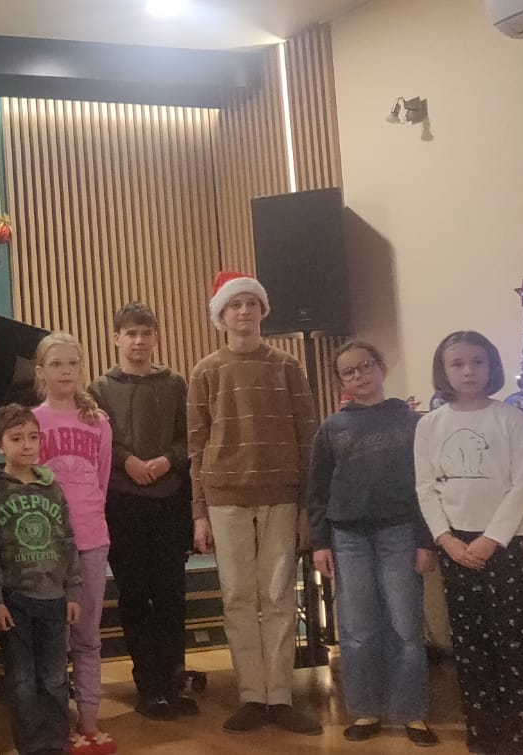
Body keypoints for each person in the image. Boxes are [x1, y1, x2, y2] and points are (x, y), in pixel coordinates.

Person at [187, 271, 321, 736]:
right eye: (234, 305)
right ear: (221, 315)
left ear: (263, 311)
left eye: (251, 303)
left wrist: (305, 507)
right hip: (225, 501)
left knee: (279, 595)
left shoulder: (287, 366)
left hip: (281, 497)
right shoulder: (205, 371)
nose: (243, 311)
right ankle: (251, 696)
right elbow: (196, 447)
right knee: (238, 597)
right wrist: (199, 512)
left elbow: (307, 438)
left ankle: (279, 697)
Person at [306, 341, 439, 747]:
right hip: (348, 538)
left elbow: (427, 486)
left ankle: (411, 712)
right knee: (357, 627)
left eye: (365, 366)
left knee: (405, 624)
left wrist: (426, 540)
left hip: (400, 533)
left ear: (381, 367)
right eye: (348, 371)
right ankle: (366, 709)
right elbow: (317, 491)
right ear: (341, 381)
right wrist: (320, 542)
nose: (359, 375)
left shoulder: (412, 422)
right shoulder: (332, 428)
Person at [415, 331, 523, 755]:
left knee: (513, 641)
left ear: (491, 367)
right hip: (456, 546)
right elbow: (425, 488)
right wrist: (445, 539)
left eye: (477, 362)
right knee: (470, 644)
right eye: (457, 363)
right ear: (444, 370)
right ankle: (483, 733)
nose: (468, 371)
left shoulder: (512, 419)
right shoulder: (430, 425)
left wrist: (492, 538)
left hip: (504, 543)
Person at [88, 302, 197, 720]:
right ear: (116, 338)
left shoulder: (175, 383)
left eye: (146, 333)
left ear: (155, 337)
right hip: (123, 501)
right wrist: (127, 461)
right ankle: (148, 686)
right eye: (131, 333)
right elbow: (99, 440)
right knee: (135, 595)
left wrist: (168, 460)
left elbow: (190, 436)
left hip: (169, 499)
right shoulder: (99, 389)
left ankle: (174, 681)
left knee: (171, 595)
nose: (138, 341)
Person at [30, 332, 116, 755]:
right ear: (41, 372)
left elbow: (103, 478)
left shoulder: (98, 422)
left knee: (87, 636)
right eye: (56, 364)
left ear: (82, 368)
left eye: (72, 363)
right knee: (53, 640)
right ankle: (56, 723)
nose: (65, 371)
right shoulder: (32, 423)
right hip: (48, 546)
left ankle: (89, 720)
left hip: (92, 539)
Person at [0, 403, 82, 755]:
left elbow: (68, 540)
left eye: (33, 437)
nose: (27, 445)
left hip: (54, 598)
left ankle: (56, 743)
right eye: (16, 438)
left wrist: (73, 591)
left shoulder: (51, 488)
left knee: (55, 678)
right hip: (16, 601)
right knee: (22, 680)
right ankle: (31, 746)